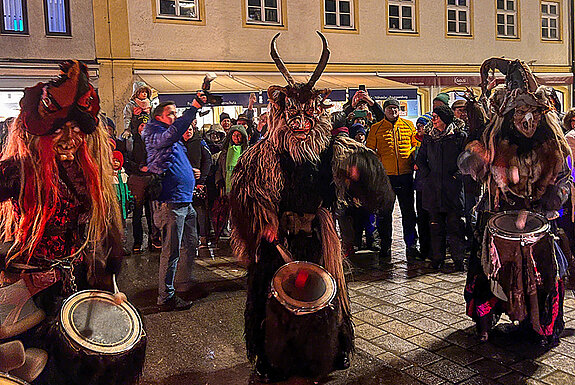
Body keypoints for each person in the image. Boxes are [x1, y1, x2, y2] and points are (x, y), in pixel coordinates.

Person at [230, 32, 394, 383]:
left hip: (319, 239)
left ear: (319, 115)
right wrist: (263, 220)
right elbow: (244, 194)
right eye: (292, 117)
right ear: (279, 115)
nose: (300, 125)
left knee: (325, 296)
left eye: (308, 117)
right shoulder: (263, 155)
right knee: (271, 298)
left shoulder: (336, 148)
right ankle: (273, 357)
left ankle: (329, 352)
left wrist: (359, 174)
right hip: (278, 244)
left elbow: (378, 193)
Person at [0, 60, 125, 382]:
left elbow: (105, 236)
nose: (70, 139)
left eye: (77, 130)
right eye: (58, 130)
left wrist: (109, 283)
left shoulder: (87, 174)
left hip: (78, 283)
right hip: (28, 290)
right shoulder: (17, 170)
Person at [458, 57, 571, 346]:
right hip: (499, 214)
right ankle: (484, 323)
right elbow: (469, 167)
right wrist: (478, 157)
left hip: (539, 222)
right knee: (488, 273)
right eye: (520, 111)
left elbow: (563, 182)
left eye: (532, 111)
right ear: (510, 114)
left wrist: (547, 205)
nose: (527, 119)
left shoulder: (553, 147)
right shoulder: (495, 139)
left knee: (544, 279)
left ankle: (540, 327)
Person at [142, 94, 206, 312]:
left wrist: (191, 172)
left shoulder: (172, 138)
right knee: (171, 251)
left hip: (185, 201)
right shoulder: (154, 133)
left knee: (190, 243)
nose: (175, 117)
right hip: (171, 202)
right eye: (171, 114)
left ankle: (182, 284)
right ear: (158, 117)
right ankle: (166, 296)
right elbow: (174, 131)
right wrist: (194, 108)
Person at [366, 97, 420, 264]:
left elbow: (415, 144)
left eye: (395, 109)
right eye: (389, 109)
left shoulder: (408, 125)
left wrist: (412, 154)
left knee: (409, 213)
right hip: (386, 178)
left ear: (399, 110)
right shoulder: (376, 128)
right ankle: (385, 245)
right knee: (384, 214)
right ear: (385, 111)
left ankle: (411, 245)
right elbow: (370, 150)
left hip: (405, 175)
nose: (392, 111)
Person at [416, 106, 467, 270]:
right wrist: (428, 175)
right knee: (435, 226)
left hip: (452, 190)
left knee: (455, 226)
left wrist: (456, 176)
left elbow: (466, 160)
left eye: (436, 117)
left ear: (445, 119)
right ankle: (437, 259)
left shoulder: (459, 137)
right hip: (433, 189)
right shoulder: (429, 138)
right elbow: (421, 159)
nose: (433, 120)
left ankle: (458, 259)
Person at [124, 113, 161, 253]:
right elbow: (126, 160)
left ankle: (155, 239)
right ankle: (137, 241)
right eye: (142, 125)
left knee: (153, 212)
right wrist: (138, 167)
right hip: (137, 180)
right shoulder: (131, 141)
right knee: (138, 213)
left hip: (151, 179)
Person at [182, 119, 212, 249]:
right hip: (182, 185)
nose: (188, 132)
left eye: (190, 129)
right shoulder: (177, 144)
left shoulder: (199, 142)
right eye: (185, 130)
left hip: (197, 184)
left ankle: (203, 237)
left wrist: (201, 180)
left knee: (200, 211)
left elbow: (208, 161)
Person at [414, 113, 433, 261]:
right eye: (418, 125)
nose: (419, 127)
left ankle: (433, 249)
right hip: (421, 186)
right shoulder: (417, 143)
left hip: (431, 186)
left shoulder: (433, 142)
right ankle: (424, 248)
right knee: (421, 219)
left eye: (422, 125)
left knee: (432, 219)